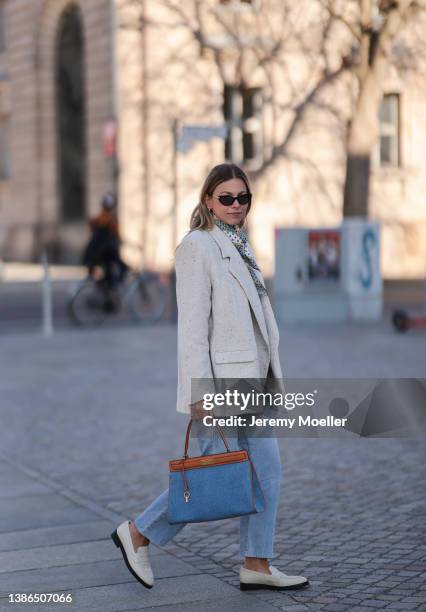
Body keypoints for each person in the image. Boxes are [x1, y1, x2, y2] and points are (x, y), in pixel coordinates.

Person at [110, 163, 309, 591]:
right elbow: (193, 330)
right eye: (227, 198)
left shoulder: (240, 244)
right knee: (208, 479)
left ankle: (256, 564)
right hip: (222, 386)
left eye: (243, 198)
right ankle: (139, 532)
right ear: (207, 200)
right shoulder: (197, 247)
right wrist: (201, 391)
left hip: (252, 382)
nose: (236, 206)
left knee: (266, 472)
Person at [81, 193, 128, 291]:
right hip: (106, 253)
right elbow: (117, 236)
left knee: (107, 273)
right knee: (123, 268)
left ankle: (107, 291)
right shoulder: (111, 221)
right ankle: (114, 287)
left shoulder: (97, 219)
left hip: (96, 254)